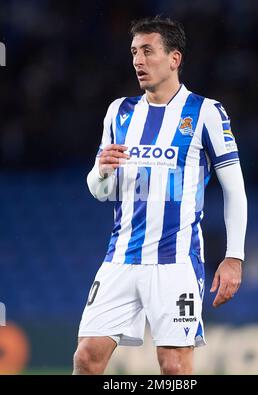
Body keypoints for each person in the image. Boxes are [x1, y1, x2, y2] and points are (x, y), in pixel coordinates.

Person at [73, 16, 247, 375]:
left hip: (176, 262)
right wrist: (100, 171)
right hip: (120, 259)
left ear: (174, 58)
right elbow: (100, 190)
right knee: (86, 358)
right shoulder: (119, 111)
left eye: (148, 51)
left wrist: (234, 257)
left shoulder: (205, 112)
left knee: (174, 366)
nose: (138, 60)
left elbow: (235, 190)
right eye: (134, 52)